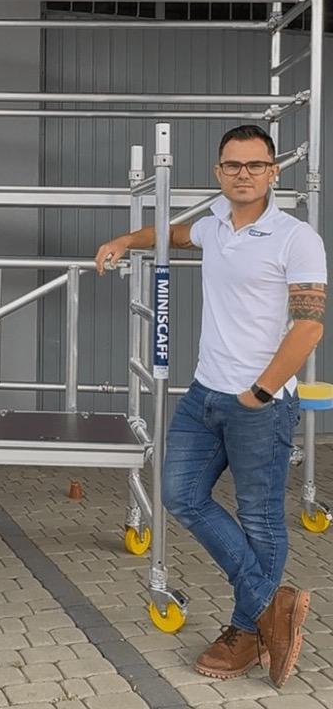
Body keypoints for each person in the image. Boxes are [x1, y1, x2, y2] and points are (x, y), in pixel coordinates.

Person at [95, 125, 326, 687]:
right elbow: (173, 234)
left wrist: (261, 391)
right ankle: (274, 604)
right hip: (204, 394)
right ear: (219, 172)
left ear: (274, 172)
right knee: (179, 493)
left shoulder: (296, 238)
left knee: (260, 518)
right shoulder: (216, 224)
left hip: (260, 403)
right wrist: (125, 240)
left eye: (255, 165)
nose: (244, 174)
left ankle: (246, 630)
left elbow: (309, 326)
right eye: (233, 165)